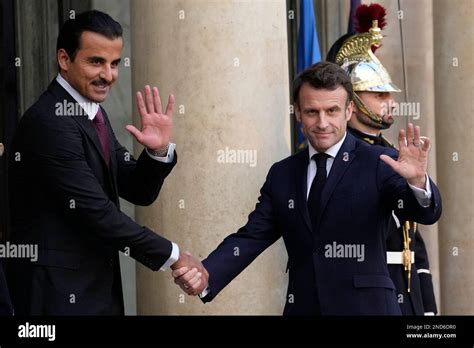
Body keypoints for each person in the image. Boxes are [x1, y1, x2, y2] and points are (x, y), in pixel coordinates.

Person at [173, 61, 442, 315]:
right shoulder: (283, 174)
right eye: (312, 112)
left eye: (332, 111)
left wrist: (417, 183)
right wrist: (207, 273)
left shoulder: (379, 161)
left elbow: (424, 213)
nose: (322, 123)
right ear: (298, 113)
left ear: (349, 111)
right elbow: (251, 237)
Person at [8, 10, 205, 315]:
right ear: (64, 59)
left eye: (114, 64)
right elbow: (98, 213)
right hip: (58, 298)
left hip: (94, 292)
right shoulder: (51, 122)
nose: (109, 75)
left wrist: (157, 151)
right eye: (96, 62)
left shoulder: (91, 113)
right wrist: (174, 256)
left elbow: (137, 190)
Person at [326, 7, 438, 315]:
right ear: (352, 99)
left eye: (389, 94)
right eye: (378, 93)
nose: (390, 102)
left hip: (408, 296)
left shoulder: (393, 152)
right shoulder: (336, 157)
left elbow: (414, 243)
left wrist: (427, 309)